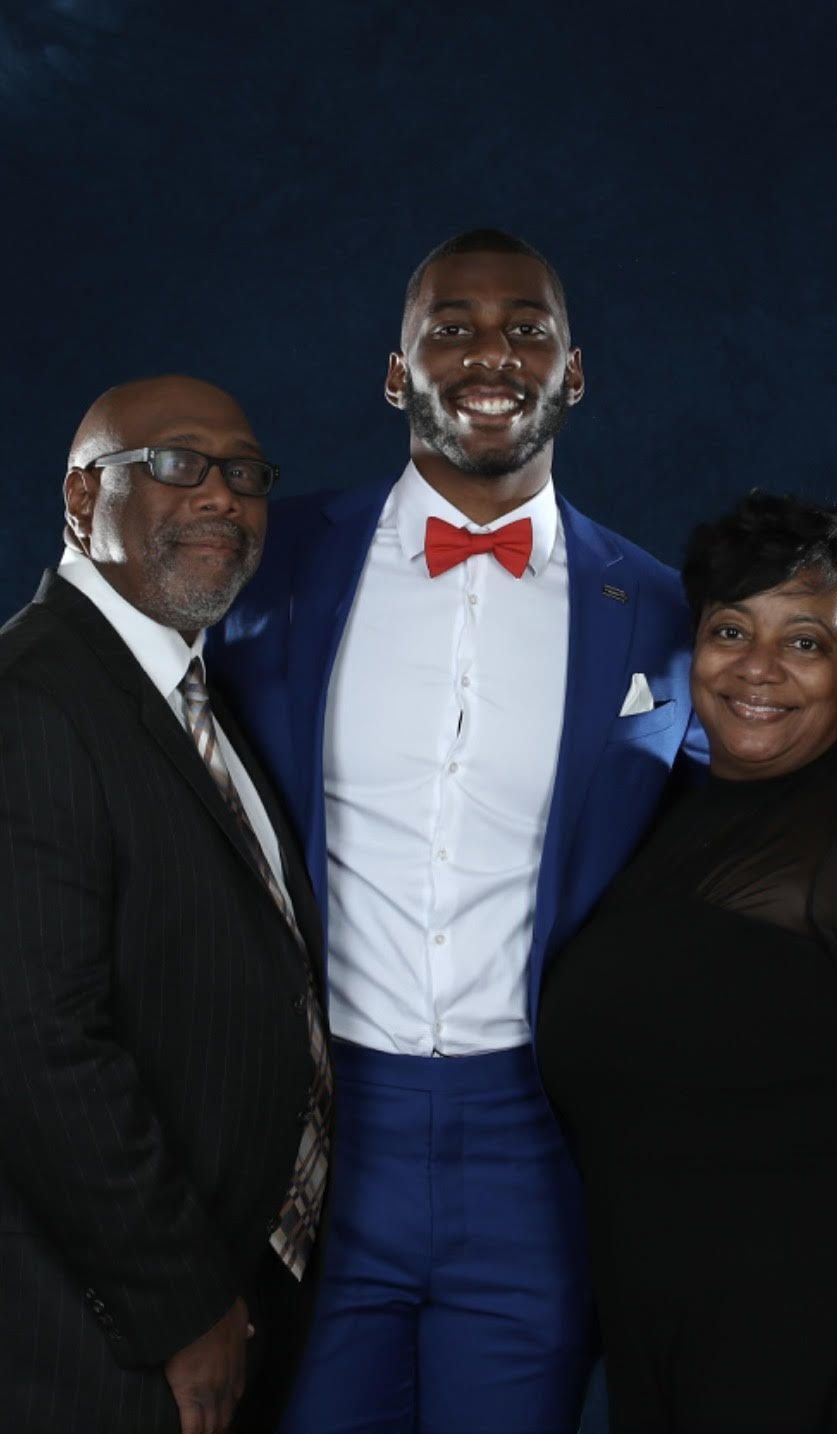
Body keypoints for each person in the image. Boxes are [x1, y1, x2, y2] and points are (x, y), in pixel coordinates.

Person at [209, 228, 699, 1434]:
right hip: (317, 1126)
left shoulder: (660, 611)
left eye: (529, 330)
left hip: (536, 1139)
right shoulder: (271, 565)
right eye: (453, 327)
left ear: (573, 374)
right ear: (398, 373)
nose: (493, 354)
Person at [537, 493, 837, 1434]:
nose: (757, 667)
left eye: (806, 643)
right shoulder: (655, 816)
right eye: (731, 630)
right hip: (664, 1353)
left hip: (826, 1363)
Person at [0, 376, 330, 1434]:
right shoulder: (29, 699)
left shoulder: (198, 698)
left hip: (241, 1299)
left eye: (245, 474)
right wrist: (180, 1305)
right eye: (179, 465)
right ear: (81, 496)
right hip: (107, 1343)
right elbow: (38, 1042)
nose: (222, 496)